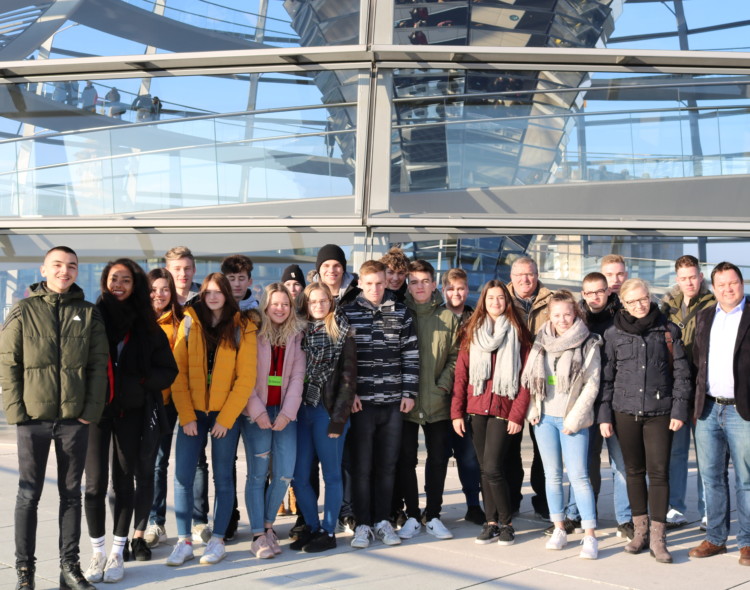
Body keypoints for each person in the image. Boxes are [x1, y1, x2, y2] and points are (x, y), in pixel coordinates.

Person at [0, 246, 108, 590]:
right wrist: (16, 411)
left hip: (74, 420)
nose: (65, 271)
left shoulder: (88, 313)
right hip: (33, 418)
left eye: (72, 266)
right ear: (44, 270)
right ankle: (25, 573)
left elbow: (98, 367)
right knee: (28, 494)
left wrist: (90, 413)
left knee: (70, 494)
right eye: (58, 265)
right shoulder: (23, 310)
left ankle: (69, 568)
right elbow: (8, 362)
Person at [83, 259, 178, 583]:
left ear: (134, 285)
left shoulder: (147, 325)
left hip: (132, 413)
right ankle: (96, 552)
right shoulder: (93, 318)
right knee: (94, 485)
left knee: (123, 482)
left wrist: (138, 383)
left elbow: (169, 371)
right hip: (96, 413)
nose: (119, 284)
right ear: (105, 282)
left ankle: (117, 552)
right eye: (114, 278)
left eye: (126, 279)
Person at [167, 273, 257, 566]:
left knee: (223, 477)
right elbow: (177, 372)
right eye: (208, 292)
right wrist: (186, 415)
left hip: (223, 415)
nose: (214, 297)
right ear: (202, 294)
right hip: (193, 413)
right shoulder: (190, 322)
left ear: (228, 294)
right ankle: (183, 541)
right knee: (182, 476)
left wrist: (227, 418)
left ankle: (217, 540)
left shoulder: (243, 326)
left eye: (219, 291)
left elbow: (246, 378)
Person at [599, 278, 692, 563]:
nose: (639, 305)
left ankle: (658, 537)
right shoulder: (613, 334)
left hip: (659, 413)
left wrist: (678, 410)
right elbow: (606, 379)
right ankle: (639, 532)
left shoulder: (667, 330)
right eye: (632, 301)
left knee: (659, 473)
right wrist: (604, 416)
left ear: (650, 298)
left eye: (643, 299)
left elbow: (682, 375)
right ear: (623, 303)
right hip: (624, 412)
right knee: (634, 471)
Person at [343, 260, 418, 549]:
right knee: (362, 468)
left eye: (380, 282)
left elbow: (410, 354)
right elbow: (343, 361)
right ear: (360, 283)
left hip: (392, 404)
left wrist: (409, 393)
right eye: (369, 283)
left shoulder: (401, 312)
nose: (375, 288)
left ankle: (383, 520)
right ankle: (362, 523)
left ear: (387, 282)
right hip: (361, 405)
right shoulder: (347, 313)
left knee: (387, 466)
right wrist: (351, 395)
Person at [523, 290, 602, 559]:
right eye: (557, 315)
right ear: (550, 315)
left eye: (567, 314)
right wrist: (534, 410)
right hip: (544, 419)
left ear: (575, 313)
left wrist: (574, 419)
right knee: (552, 476)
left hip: (573, 420)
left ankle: (590, 535)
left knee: (579, 477)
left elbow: (592, 385)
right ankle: (559, 528)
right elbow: (534, 381)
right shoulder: (541, 341)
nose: (562, 319)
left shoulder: (588, 342)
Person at [451, 280, 531, 546]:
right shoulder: (472, 331)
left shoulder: (519, 333)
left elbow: (525, 379)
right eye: (490, 298)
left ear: (507, 301)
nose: (495, 303)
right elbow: (461, 375)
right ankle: (491, 521)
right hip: (477, 408)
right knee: (484, 469)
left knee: (495, 468)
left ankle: (507, 523)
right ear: (483, 301)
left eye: (500, 298)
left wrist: (517, 415)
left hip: (503, 409)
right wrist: (457, 412)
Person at [689, 261, 750, 566]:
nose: (728, 289)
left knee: (746, 480)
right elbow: (697, 362)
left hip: (743, 411)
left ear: (742, 283)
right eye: (722, 284)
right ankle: (715, 538)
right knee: (711, 477)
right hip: (709, 408)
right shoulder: (704, 317)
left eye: (733, 283)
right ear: (713, 288)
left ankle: (748, 542)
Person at [290, 283, 357, 552]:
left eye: (323, 300)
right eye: (313, 301)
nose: (318, 305)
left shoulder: (342, 332)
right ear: (306, 304)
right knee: (299, 476)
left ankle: (328, 532)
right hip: (301, 411)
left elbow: (349, 380)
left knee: (331, 475)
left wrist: (338, 419)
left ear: (331, 302)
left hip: (327, 413)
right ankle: (312, 526)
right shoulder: (298, 334)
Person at [396, 260, 459, 541]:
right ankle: (411, 513)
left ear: (434, 285)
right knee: (406, 459)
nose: (419, 286)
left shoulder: (448, 318)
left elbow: (458, 357)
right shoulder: (399, 314)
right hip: (406, 401)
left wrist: (442, 385)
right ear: (407, 285)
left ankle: (433, 514)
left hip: (438, 400)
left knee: (438, 460)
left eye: (424, 281)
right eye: (413, 281)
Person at [242, 283, 305, 559]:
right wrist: (257, 412)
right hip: (256, 410)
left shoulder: (296, 335)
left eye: (286, 304)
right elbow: (243, 376)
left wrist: (287, 413)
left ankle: (269, 526)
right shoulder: (252, 333)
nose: (280, 308)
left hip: (284, 411)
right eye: (275, 303)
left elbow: (296, 377)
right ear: (265, 305)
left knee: (284, 472)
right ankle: (257, 534)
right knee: (257, 473)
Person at [571, 272, 633, 540]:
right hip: (584, 402)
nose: (594, 296)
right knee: (583, 465)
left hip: (615, 401)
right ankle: (578, 514)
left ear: (608, 291)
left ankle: (626, 518)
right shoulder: (576, 321)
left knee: (621, 464)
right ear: (583, 294)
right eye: (589, 292)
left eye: (599, 291)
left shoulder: (621, 319)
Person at [660, 255, 717, 529]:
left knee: (707, 454)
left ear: (701, 276)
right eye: (683, 278)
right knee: (677, 452)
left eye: (692, 277)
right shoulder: (666, 306)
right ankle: (675, 508)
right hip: (677, 388)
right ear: (677, 280)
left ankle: (708, 510)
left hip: (705, 388)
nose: (689, 282)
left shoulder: (714, 304)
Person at [165, 246, 211, 543]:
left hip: (193, 391)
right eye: (176, 269)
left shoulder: (203, 301)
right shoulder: (158, 299)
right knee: (158, 460)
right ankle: (156, 520)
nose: (182, 274)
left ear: (194, 270)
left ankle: (198, 520)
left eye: (186, 268)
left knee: (197, 459)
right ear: (168, 270)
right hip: (161, 392)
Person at [506, 256, 550, 519]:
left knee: (542, 448)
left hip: (543, 385)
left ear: (537, 275)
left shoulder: (552, 299)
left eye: (530, 274)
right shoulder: (499, 299)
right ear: (511, 277)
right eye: (520, 274)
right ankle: (510, 499)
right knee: (509, 448)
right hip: (509, 385)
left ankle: (543, 499)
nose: (525, 279)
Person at [144, 269, 184, 548]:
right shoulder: (137, 321)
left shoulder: (181, 322)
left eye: (165, 289)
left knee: (161, 462)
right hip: (142, 402)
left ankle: (159, 522)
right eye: (154, 289)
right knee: (145, 464)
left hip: (170, 402)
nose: (159, 294)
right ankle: (146, 522)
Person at [442, 268, 483, 525]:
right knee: (438, 455)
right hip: (441, 395)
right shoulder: (437, 316)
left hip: (467, 398)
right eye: (451, 288)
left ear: (467, 290)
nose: (456, 293)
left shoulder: (476, 318)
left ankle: (473, 504)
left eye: (461, 288)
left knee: (468, 455)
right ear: (443, 290)